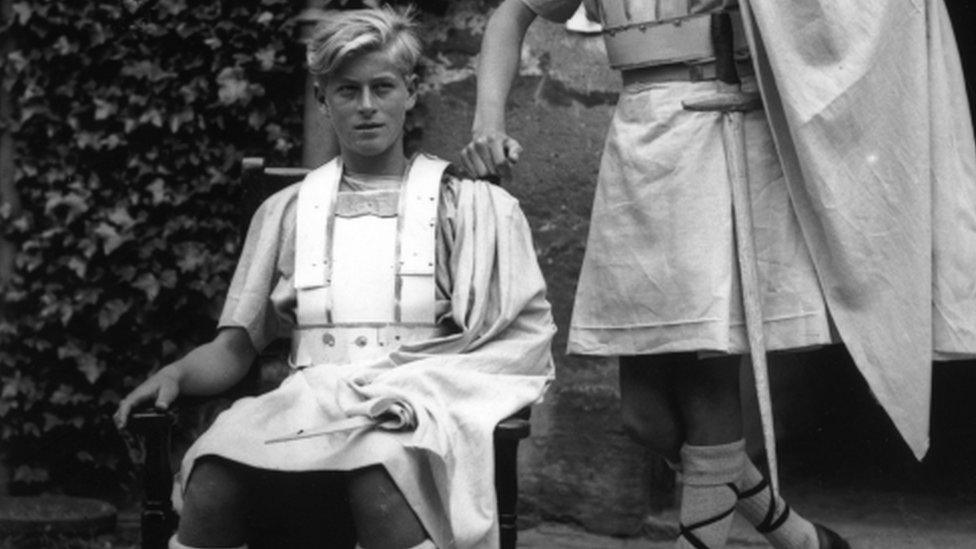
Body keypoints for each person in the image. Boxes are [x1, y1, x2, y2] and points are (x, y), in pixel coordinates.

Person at [459, 0, 974, 547]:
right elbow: (510, 15)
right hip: (639, 140)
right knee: (645, 419)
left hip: (720, 126)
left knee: (707, 386)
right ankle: (797, 536)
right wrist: (487, 121)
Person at [115, 6, 556, 549]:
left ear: (411, 91)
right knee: (212, 474)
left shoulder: (466, 209)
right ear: (323, 100)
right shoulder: (288, 211)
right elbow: (235, 348)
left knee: (379, 475)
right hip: (312, 405)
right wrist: (177, 374)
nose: (367, 106)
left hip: (415, 411)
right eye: (347, 91)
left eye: (383, 87)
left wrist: (416, 391)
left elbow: (515, 349)